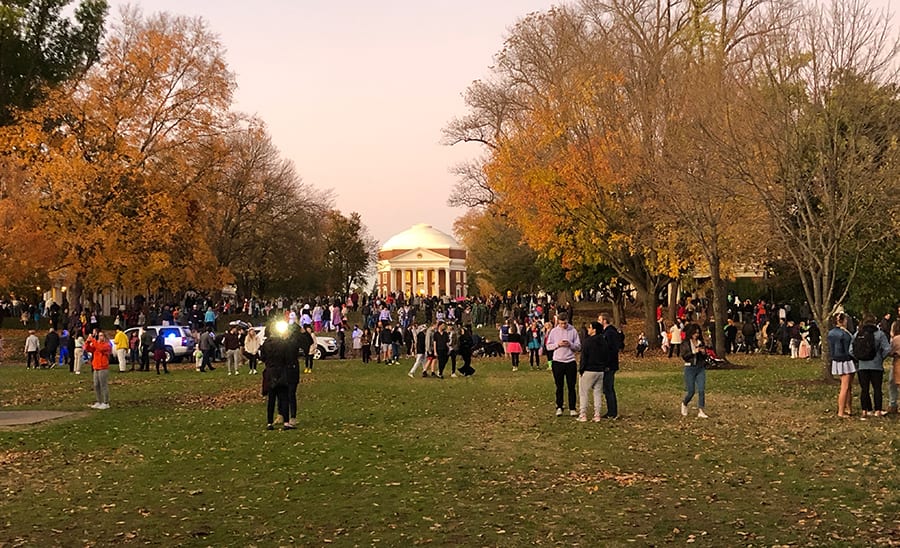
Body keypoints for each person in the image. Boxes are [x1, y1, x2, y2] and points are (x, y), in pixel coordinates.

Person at [850, 313, 891, 419]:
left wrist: (858, 358)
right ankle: (878, 410)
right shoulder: (879, 334)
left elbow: (851, 350)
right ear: (874, 321)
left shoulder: (858, 334)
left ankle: (865, 410)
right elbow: (887, 349)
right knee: (877, 388)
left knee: (864, 389)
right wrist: (881, 358)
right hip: (876, 365)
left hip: (862, 365)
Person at [545, 313, 581, 417]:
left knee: (571, 386)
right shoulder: (554, 331)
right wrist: (557, 345)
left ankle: (572, 408)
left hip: (570, 361)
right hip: (558, 361)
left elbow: (578, 346)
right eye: (561, 324)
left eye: (565, 323)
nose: (563, 326)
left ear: (567, 321)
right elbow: (548, 346)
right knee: (559, 386)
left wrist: (570, 345)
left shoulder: (573, 331)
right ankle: (559, 407)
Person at [260, 324, 292, 430]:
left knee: (271, 399)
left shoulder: (266, 344)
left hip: (270, 372)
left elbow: (262, 357)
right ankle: (286, 422)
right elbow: (287, 358)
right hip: (281, 371)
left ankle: (269, 422)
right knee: (284, 398)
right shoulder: (283, 344)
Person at [578, 321, 610, 422]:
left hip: (589, 369)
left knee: (583, 392)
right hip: (600, 371)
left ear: (594, 330)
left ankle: (583, 414)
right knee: (597, 393)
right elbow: (606, 356)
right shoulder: (604, 342)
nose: (588, 330)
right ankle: (597, 414)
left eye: (590, 328)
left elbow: (584, 357)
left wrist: (581, 369)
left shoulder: (588, 342)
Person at [828, 312, 856, 418]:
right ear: (842, 321)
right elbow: (849, 349)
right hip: (846, 360)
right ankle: (841, 411)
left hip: (836, 359)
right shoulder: (845, 334)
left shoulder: (830, 333)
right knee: (845, 386)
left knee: (847, 386)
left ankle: (849, 408)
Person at [680, 323, 709, 418]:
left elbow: (705, 356)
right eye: (694, 333)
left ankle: (701, 410)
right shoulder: (685, 343)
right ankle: (684, 403)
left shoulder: (701, 342)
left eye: (697, 333)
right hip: (689, 368)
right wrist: (693, 352)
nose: (696, 335)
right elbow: (684, 356)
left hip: (700, 368)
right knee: (691, 391)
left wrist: (704, 353)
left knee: (701, 389)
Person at [599, 313, 623, 419]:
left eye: (599, 320)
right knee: (607, 388)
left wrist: (607, 364)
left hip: (609, 365)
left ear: (604, 321)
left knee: (608, 388)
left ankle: (612, 412)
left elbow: (611, 350)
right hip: (609, 364)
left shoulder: (609, 333)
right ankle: (611, 410)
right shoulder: (608, 332)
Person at [83, 332, 111, 409]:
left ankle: (106, 402)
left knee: (103, 385)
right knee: (96, 385)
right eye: (99, 336)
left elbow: (100, 348)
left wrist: (93, 340)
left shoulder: (106, 345)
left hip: (103, 367)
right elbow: (88, 349)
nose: (100, 337)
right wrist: (88, 342)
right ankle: (99, 401)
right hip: (96, 366)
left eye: (101, 335)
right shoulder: (96, 344)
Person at [888, 321, 900, 415]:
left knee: (893, 383)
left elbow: (890, 352)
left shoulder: (895, 339)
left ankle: (893, 404)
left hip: (897, 363)